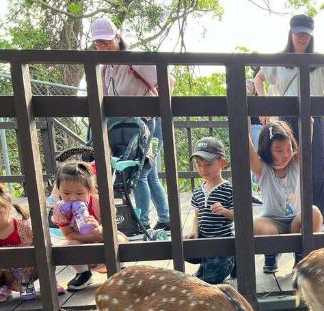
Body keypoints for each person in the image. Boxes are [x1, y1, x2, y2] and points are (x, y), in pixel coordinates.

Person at [253, 14, 324, 230]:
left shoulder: (320, 60)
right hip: (286, 119)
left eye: (305, 34)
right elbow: (258, 78)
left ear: (311, 35)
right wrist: (263, 102)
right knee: (283, 163)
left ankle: (320, 219)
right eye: (297, 32)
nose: (301, 37)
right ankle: (286, 212)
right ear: (290, 32)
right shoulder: (279, 60)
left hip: (314, 116)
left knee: (316, 166)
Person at [90, 17, 172, 231]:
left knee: (140, 173)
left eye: (106, 41)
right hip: (127, 127)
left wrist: (158, 108)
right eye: (98, 43)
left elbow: (168, 80)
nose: (103, 47)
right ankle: (165, 218)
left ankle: (141, 222)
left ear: (117, 38)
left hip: (149, 124)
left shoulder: (134, 60)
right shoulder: (105, 69)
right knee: (149, 173)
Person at [249, 120, 322, 273]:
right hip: (273, 223)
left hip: (296, 220)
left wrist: (309, 123)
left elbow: (306, 145)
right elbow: (247, 151)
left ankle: (302, 257)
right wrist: (244, 122)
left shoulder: (295, 162)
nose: (285, 154)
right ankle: (271, 254)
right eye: (278, 150)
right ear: (267, 151)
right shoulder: (263, 169)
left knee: (314, 212)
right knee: (254, 224)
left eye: (288, 147)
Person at [0, 181, 65, 303]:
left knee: (45, 249)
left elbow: (40, 244)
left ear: (8, 207)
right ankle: (0, 287)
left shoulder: (24, 227)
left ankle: (50, 281)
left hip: (30, 270)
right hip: (5, 274)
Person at [52, 161, 128, 291]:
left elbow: (111, 228)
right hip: (81, 243)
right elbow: (68, 234)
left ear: (90, 190)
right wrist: (88, 236)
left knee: (119, 240)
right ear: (59, 191)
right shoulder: (61, 208)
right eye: (66, 193)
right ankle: (83, 273)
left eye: (80, 193)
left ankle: (119, 270)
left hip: (103, 239)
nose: (73, 198)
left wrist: (98, 229)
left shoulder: (98, 202)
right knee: (67, 246)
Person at [185, 137, 235, 284]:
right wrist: (194, 231)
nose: (202, 169)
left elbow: (239, 217)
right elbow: (197, 213)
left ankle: (230, 261)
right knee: (183, 247)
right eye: (199, 165)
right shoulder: (198, 190)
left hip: (221, 242)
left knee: (210, 280)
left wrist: (225, 211)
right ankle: (206, 265)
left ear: (222, 163)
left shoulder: (228, 189)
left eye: (208, 164)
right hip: (204, 239)